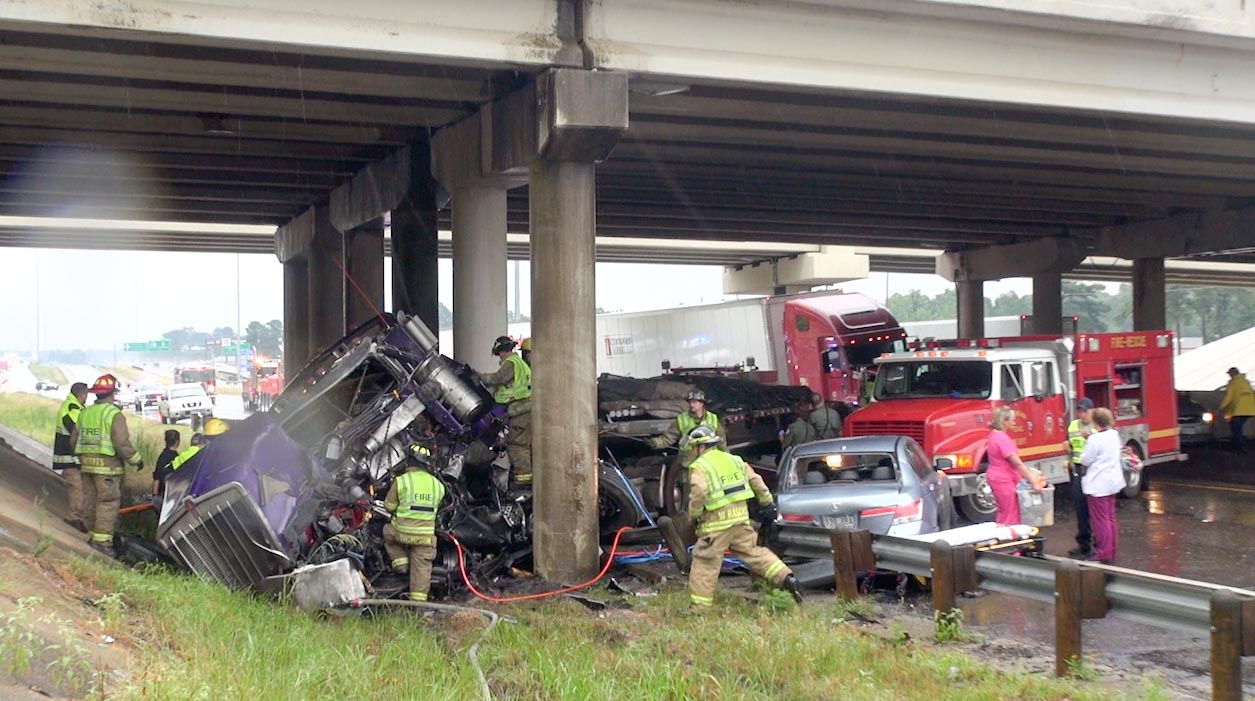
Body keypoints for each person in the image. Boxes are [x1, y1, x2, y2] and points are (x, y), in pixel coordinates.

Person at [685, 425, 801, 608]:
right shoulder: (735, 460)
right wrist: (767, 503)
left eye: (693, 447)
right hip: (740, 519)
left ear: (700, 447)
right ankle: (786, 578)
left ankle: (699, 609)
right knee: (754, 552)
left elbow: (699, 492)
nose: (692, 451)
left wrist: (694, 515)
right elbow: (757, 481)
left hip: (715, 525)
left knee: (705, 563)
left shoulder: (700, 466)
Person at [70, 374, 143, 556]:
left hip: (86, 466)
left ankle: (94, 535)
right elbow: (121, 443)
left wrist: (83, 456)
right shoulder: (113, 414)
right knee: (108, 503)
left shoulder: (85, 413)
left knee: (91, 500)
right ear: (113, 393)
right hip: (107, 469)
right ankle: (102, 542)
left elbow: (74, 439)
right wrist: (136, 460)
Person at [383, 443, 446, 601]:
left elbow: (389, 507)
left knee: (387, 531)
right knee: (422, 568)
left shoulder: (402, 481)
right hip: (425, 537)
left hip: (402, 533)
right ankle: (419, 606)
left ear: (409, 462)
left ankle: (401, 564)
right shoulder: (438, 485)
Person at [482, 336, 532, 489]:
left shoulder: (511, 363)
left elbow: (498, 378)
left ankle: (523, 483)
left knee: (517, 445)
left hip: (519, 409)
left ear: (501, 351)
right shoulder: (520, 364)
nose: (499, 357)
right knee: (522, 443)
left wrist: (478, 376)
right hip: (522, 408)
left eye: (499, 354)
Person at [1080, 408, 1124, 565]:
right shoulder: (1114, 435)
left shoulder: (1094, 440)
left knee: (1100, 520)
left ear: (1095, 421)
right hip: (1113, 482)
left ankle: (1103, 553)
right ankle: (1111, 549)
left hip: (1098, 484)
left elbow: (1086, 459)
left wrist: (1087, 441)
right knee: (1110, 517)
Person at [985, 406, 1042, 526]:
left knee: (1003, 512)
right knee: (1010, 514)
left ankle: (1003, 539)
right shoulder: (1002, 439)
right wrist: (1033, 481)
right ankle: (1010, 540)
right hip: (1003, 479)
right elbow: (1017, 463)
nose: (1014, 422)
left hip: (997, 477)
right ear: (1004, 421)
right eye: (1012, 420)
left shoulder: (994, 436)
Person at [648, 389, 727, 469]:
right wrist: (655, 442)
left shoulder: (712, 418)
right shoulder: (681, 419)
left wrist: (726, 456)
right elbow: (668, 438)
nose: (691, 405)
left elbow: (721, 440)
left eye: (694, 402)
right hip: (688, 461)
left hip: (709, 460)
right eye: (690, 402)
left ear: (702, 403)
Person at [53, 382, 89, 532]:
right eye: (86, 394)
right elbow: (77, 430)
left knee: (80, 489)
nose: (87, 397)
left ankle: (80, 518)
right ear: (82, 394)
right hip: (69, 458)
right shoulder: (71, 408)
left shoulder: (76, 407)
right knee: (77, 488)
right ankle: (76, 519)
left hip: (73, 458)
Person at [1063, 398, 1096, 558]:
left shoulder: (1097, 426)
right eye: (1079, 411)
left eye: (1085, 411)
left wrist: (1089, 438)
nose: (1082, 414)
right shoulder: (1073, 426)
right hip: (1077, 470)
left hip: (1093, 470)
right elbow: (1069, 444)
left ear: (1092, 411)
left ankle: (1097, 544)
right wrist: (1066, 449)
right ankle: (1084, 544)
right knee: (1080, 508)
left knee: (1095, 509)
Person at [1220, 367, 1255, 452]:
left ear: (1232, 374)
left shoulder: (1233, 382)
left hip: (1238, 410)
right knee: (1237, 426)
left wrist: (1221, 407)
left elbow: (1229, 397)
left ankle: (1239, 447)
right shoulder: (1246, 382)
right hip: (1250, 410)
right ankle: (1237, 443)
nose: (1229, 376)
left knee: (1235, 427)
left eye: (1229, 374)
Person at [152, 429, 181, 504]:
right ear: (177, 442)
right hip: (172, 495)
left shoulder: (162, 456)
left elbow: (157, 476)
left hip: (162, 492)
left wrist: (155, 495)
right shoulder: (177, 458)